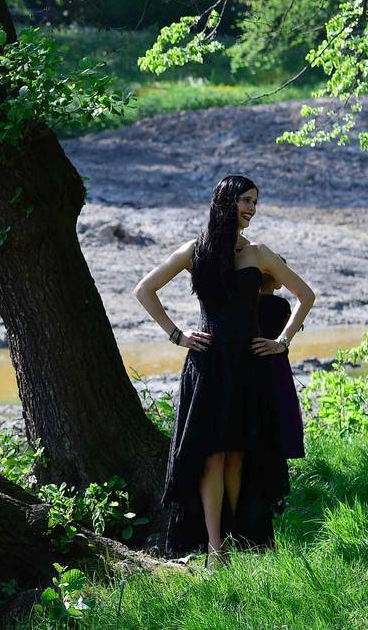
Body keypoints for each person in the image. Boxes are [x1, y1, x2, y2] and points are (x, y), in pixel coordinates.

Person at [133, 174, 314, 562]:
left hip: (249, 366)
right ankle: (217, 550)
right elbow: (144, 290)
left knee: (237, 457)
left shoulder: (260, 254)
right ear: (226, 202)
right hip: (208, 365)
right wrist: (177, 335)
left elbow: (305, 296)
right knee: (212, 457)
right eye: (245, 200)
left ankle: (235, 539)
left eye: (255, 202)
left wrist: (282, 343)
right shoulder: (195, 251)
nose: (251, 208)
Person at [258, 269, 305, 460]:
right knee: (281, 408)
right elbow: (291, 326)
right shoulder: (280, 304)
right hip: (276, 362)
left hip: (254, 361)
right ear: (274, 277)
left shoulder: (249, 304)